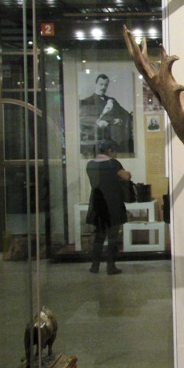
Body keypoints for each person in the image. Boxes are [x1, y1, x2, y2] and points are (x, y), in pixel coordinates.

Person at [86, 139, 131, 274]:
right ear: (110, 150)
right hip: (112, 204)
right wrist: (128, 174)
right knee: (113, 236)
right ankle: (110, 266)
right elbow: (126, 177)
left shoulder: (90, 164)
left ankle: (94, 266)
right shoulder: (113, 163)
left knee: (99, 236)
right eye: (115, 151)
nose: (116, 154)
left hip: (98, 203)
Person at [80, 74, 133, 155]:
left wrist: (120, 120)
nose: (103, 87)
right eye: (101, 84)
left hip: (112, 141)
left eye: (106, 85)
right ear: (96, 84)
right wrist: (97, 121)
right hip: (95, 140)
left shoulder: (112, 101)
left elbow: (126, 114)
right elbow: (82, 118)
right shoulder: (86, 101)